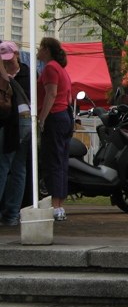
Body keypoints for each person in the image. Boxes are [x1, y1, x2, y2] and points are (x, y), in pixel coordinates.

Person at [37, 37, 73, 222]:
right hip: (64, 115)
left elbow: (51, 94)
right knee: (61, 160)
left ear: (46, 50)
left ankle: (56, 205)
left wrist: (42, 118)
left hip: (55, 116)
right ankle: (59, 204)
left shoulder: (50, 68)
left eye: (40, 47)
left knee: (54, 161)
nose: (38, 50)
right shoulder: (61, 69)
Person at [0, 41, 31, 227]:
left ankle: (11, 213)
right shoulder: (25, 72)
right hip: (15, 123)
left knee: (7, 165)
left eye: (9, 59)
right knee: (15, 167)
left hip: (18, 124)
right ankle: (11, 214)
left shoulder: (24, 74)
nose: (7, 62)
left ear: (16, 55)